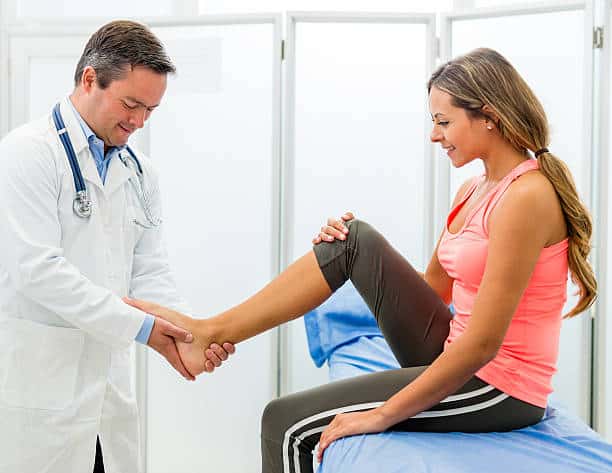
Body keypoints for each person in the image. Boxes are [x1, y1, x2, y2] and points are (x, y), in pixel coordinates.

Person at [125, 48, 597, 472]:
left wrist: (381, 414)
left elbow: (482, 345)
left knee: (285, 424)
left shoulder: (527, 196)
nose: (434, 136)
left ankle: (212, 332)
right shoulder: (473, 190)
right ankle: (211, 329)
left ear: (488, 117)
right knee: (353, 236)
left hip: (498, 386)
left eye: (444, 121)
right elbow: (433, 291)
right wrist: (349, 253)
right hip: (453, 353)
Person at [0, 20, 234, 473]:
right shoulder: (27, 153)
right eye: (131, 104)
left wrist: (189, 333)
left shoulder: (140, 172)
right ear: (90, 79)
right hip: (41, 400)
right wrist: (146, 329)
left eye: (151, 110)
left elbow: (150, 271)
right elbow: (37, 270)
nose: (139, 121)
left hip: (109, 399)